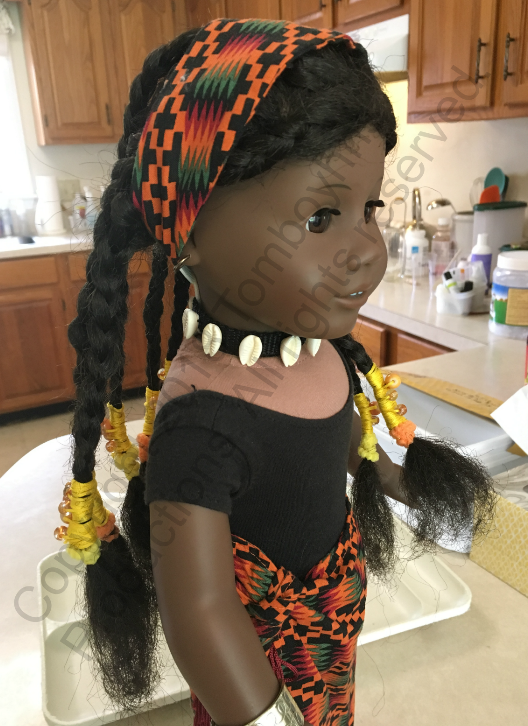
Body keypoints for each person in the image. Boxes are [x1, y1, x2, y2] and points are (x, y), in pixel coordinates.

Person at [55, 18, 496, 726]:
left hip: (332, 619)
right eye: (320, 218)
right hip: (261, 671)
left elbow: (336, 431)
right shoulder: (203, 426)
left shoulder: (315, 346)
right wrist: (266, 717)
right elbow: (199, 610)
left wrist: (392, 476)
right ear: (191, 232)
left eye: (368, 209)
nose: (365, 249)